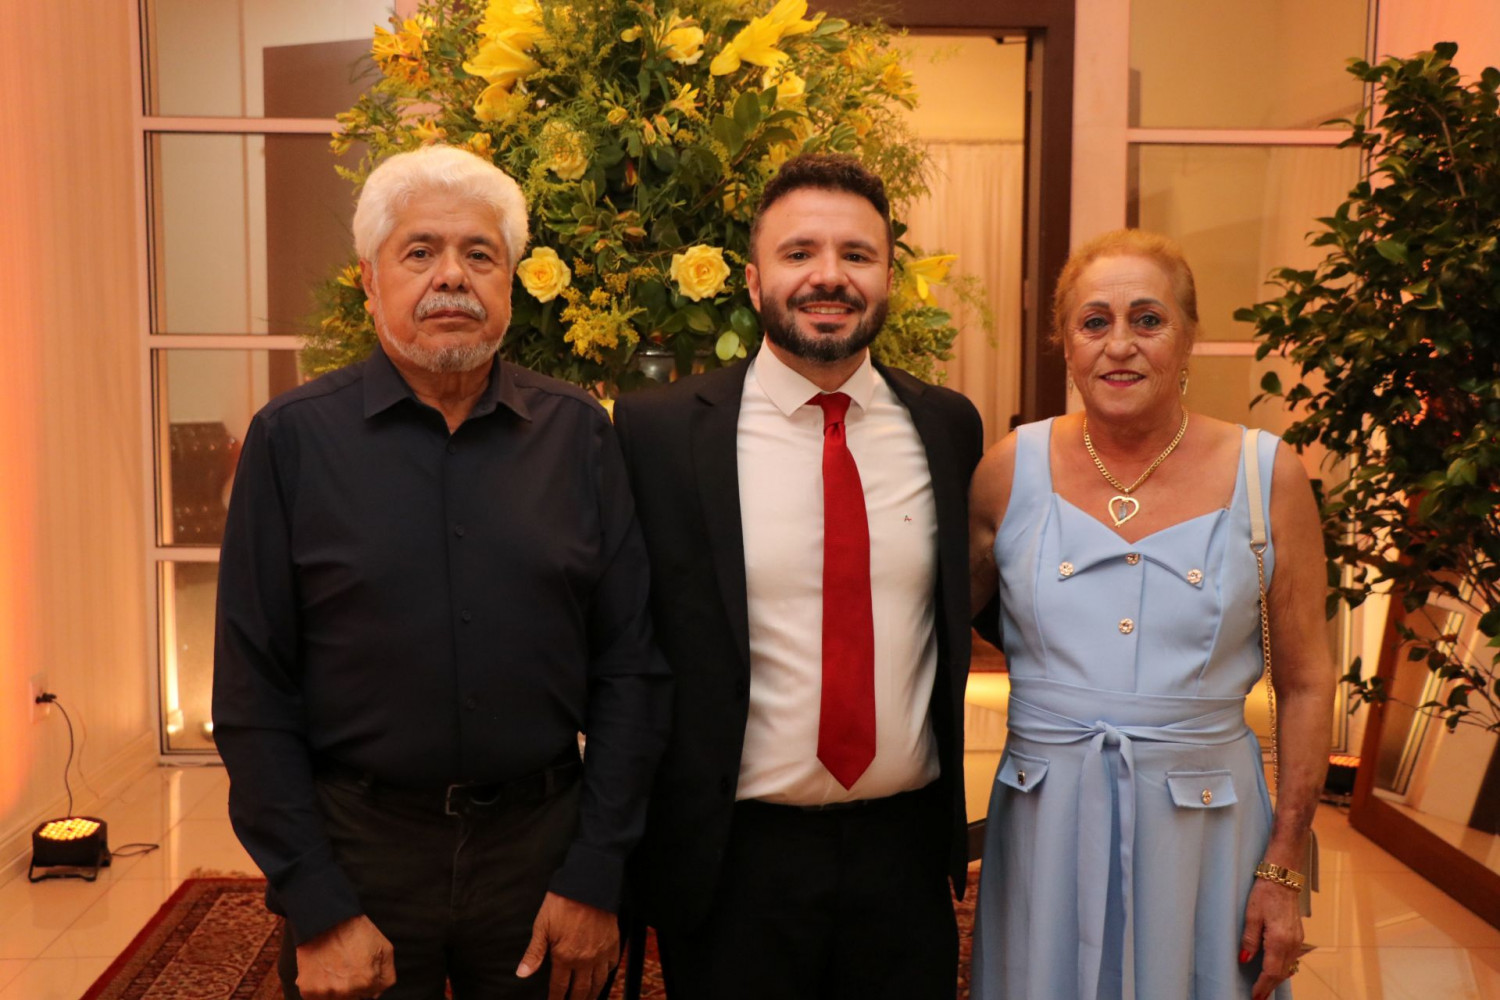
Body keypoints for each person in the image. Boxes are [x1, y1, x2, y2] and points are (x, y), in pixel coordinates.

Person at [212, 144, 671, 1000]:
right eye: (419, 251)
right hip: (360, 849)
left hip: (542, 849)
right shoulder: (291, 441)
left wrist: (596, 869)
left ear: (511, 283)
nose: (451, 276)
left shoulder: (579, 435)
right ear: (369, 280)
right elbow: (251, 693)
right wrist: (315, 901)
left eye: (479, 254)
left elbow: (631, 669)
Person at [612, 153, 984, 999]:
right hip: (734, 864)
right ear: (753, 281)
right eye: (799, 252)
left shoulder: (946, 427)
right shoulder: (658, 434)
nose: (829, 276)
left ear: (888, 279)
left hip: (903, 859)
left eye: (857, 254)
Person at [968, 229, 1334, 1000]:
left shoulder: (1269, 477)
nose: (1120, 346)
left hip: (1208, 836)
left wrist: (1283, 869)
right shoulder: (1005, 471)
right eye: (1094, 322)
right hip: (1042, 828)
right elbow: (926, 635)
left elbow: (1306, 683)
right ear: (1065, 344)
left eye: (1147, 319)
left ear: (1188, 334)